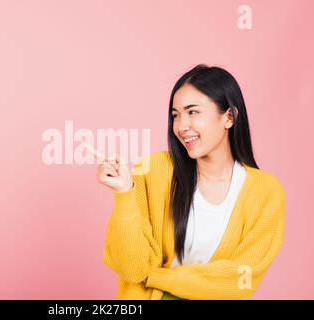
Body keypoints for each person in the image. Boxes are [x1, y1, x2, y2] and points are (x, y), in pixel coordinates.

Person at [97, 64, 285, 300]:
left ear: (229, 117)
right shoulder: (154, 170)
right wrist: (125, 193)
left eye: (193, 112)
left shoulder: (266, 192)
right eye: (175, 115)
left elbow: (238, 282)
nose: (181, 126)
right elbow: (132, 268)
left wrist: (154, 277)